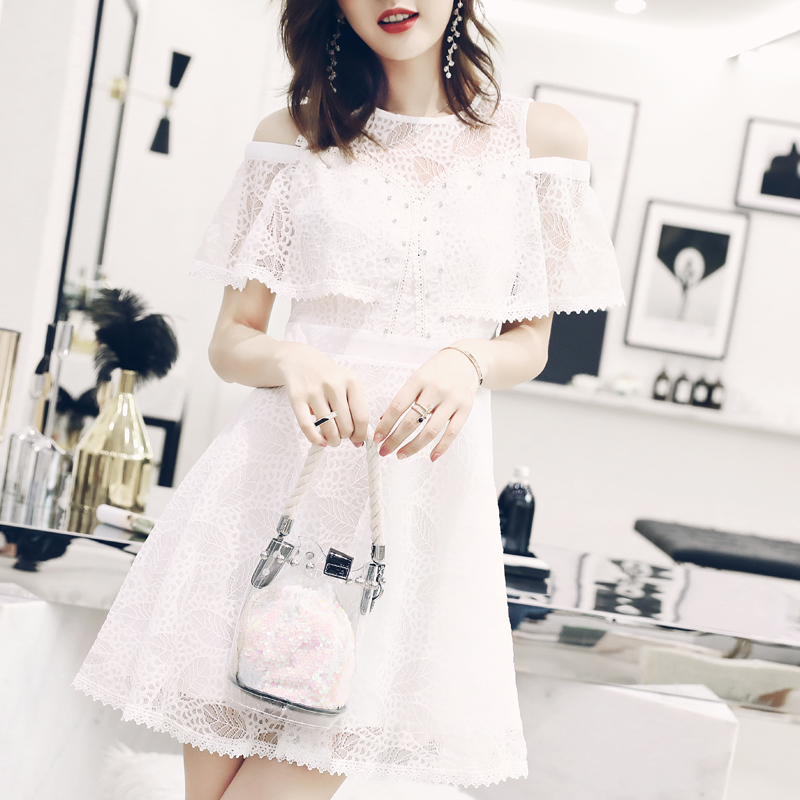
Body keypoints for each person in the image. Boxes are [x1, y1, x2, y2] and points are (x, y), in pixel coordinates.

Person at [72, 0, 624, 797]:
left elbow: (529, 341)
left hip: (409, 503)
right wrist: (291, 356)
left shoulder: (540, 139)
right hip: (270, 492)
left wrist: (468, 359)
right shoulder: (293, 135)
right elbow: (231, 341)